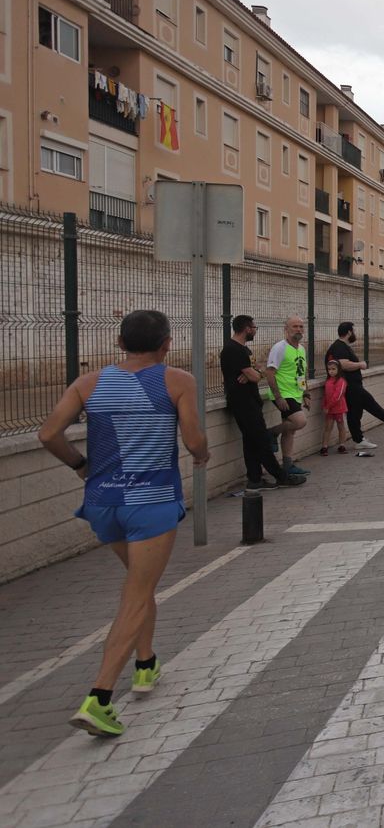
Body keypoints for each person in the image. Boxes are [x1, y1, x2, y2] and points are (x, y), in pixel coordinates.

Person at [37, 310, 209, 737]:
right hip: (149, 503)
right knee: (135, 595)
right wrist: (202, 455)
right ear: (167, 344)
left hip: (102, 502)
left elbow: (47, 434)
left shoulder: (88, 382)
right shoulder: (178, 381)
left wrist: (80, 465)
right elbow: (192, 439)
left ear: (120, 344)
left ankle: (146, 664)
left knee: (139, 582)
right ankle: (99, 698)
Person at [220, 315, 302, 490]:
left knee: (251, 441)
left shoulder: (244, 350)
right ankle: (280, 476)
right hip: (242, 402)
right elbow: (256, 376)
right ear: (247, 329)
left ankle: (255, 479)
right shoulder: (232, 350)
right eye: (254, 328)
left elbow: (256, 371)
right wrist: (256, 373)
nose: (255, 331)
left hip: (251, 400)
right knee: (261, 440)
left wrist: (255, 372)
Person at [326, 321, 384, 453]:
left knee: (354, 414)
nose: (355, 334)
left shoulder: (342, 346)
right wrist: (361, 365)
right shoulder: (339, 346)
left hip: (352, 385)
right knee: (369, 402)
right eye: (353, 331)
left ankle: (359, 440)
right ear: (349, 332)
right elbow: (343, 364)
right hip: (350, 386)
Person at [265, 316, 311, 476]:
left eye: (301, 326)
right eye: (294, 326)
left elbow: (302, 372)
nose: (298, 329)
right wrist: (278, 397)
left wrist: (305, 393)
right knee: (300, 421)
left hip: (296, 393)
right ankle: (271, 432)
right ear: (286, 329)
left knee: (290, 431)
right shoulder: (280, 348)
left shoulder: (301, 348)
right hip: (283, 394)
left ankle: (287, 464)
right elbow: (269, 372)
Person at [320, 358, 351, 456]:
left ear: (338, 370)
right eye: (329, 369)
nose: (331, 371)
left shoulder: (341, 381)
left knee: (340, 426)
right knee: (327, 427)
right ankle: (324, 447)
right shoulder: (328, 381)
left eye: (333, 369)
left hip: (338, 409)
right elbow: (326, 395)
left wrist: (328, 406)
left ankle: (342, 445)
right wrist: (324, 406)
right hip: (329, 409)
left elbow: (337, 396)